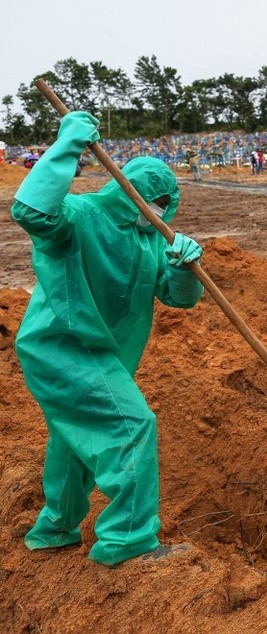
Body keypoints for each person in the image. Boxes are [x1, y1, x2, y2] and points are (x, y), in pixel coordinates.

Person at [11, 111, 205, 566]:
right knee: (131, 426)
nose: (154, 207)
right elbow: (31, 211)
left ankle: (54, 531)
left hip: (102, 353)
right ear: (125, 188)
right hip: (63, 346)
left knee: (72, 441)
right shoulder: (82, 216)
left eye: (162, 201)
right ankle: (128, 543)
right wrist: (66, 149)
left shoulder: (154, 241)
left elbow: (179, 299)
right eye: (147, 197)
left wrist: (184, 271)